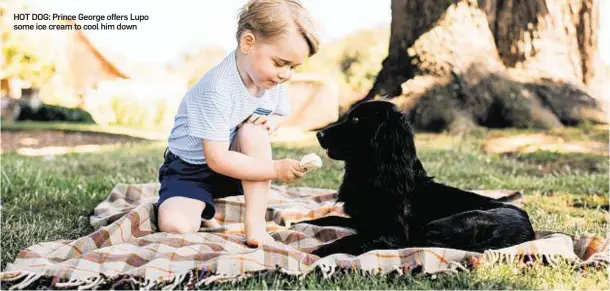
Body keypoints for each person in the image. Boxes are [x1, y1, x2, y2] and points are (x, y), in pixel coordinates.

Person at [156, 0, 320, 248]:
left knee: (254, 133)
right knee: (177, 227)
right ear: (247, 43)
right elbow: (217, 159)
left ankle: (255, 224)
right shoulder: (217, 90)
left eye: (293, 67)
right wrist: (275, 169)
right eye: (279, 63)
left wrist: (272, 122)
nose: (286, 74)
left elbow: (279, 113)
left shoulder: (271, 81)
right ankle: (192, 201)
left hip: (237, 163)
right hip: (192, 170)